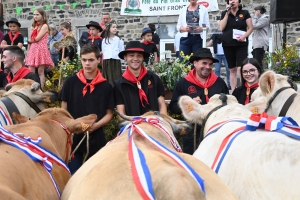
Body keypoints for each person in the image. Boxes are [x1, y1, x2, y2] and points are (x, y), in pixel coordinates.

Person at [60, 44, 114, 174]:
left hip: (95, 136)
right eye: (84, 60)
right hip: (73, 137)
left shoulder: (106, 86)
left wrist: (95, 126)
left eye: (91, 60)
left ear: (98, 60)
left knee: (95, 176)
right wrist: (73, 126)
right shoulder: (70, 82)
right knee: (72, 175)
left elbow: (109, 114)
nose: (87, 63)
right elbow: (63, 111)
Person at [169, 48, 229, 155]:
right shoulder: (183, 83)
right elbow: (173, 107)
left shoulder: (219, 82)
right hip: (192, 135)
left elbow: (228, 104)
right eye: (204, 63)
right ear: (195, 63)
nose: (208, 67)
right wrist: (189, 104)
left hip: (215, 133)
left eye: (210, 64)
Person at [114, 41, 167, 117]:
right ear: (125, 57)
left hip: (154, 124)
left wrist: (162, 123)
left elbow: (162, 104)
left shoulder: (154, 78)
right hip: (132, 126)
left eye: (139, 55)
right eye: (131, 55)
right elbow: (121, 112)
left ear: (143, 58)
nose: (135, 59)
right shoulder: (119, 84)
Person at [219, 0, 253, 91]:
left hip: (241, 44)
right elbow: (221, 27)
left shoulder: (245, 13)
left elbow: (250, 27)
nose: (232, 1)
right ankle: (234, 91)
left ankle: (243, 89)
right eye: (230, 0)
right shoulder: (224, 13)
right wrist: (227, 13)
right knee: (232, 69)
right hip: (228, 44)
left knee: (241, 68)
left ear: (238, 2)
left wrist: (244, 36)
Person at [25, 8, 54, 88]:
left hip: (40, 49)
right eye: (34, 14)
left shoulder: (44, 26)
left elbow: (37, 39)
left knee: (40, 71)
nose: (35, 16)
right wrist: (28, 50)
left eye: (37, 14)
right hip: (33, 49)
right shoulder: (34, 26)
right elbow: (30, 40)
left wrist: (30, 40)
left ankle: (41, 88)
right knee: (31, 71)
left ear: (42, 15)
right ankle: (32, 87)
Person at [102, 20, 124, 86]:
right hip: (107, 61)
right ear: (108, 29)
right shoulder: (104, 40)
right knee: (107, 78)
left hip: (115, 61)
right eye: (113, 27)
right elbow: (103, 51)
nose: (115, 29)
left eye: (116, 27)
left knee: (116, 78)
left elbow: (121, 51)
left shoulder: (118, 40)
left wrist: (120, 61)